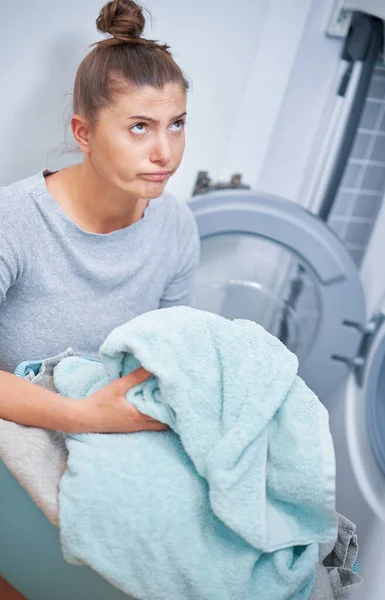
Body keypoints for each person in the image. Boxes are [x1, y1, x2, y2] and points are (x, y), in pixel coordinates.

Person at [0, 0, 200, 596]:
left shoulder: (177, 229)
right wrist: (88, 416)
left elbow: (166, 359)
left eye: (178, 123)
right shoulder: (13, 222)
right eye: (140, 126)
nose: (165, 152)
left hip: (109, 447)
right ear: (83, 133)